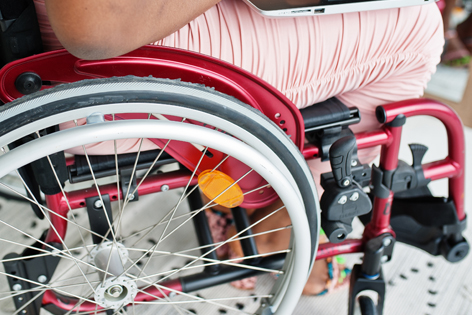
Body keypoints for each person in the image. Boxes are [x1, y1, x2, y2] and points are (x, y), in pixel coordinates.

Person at [33, 0, 444, 295]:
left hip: (84, 45)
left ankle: (264, 181)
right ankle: (282, 218)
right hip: (104, 64)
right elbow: (91, 28)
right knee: (420, 27)